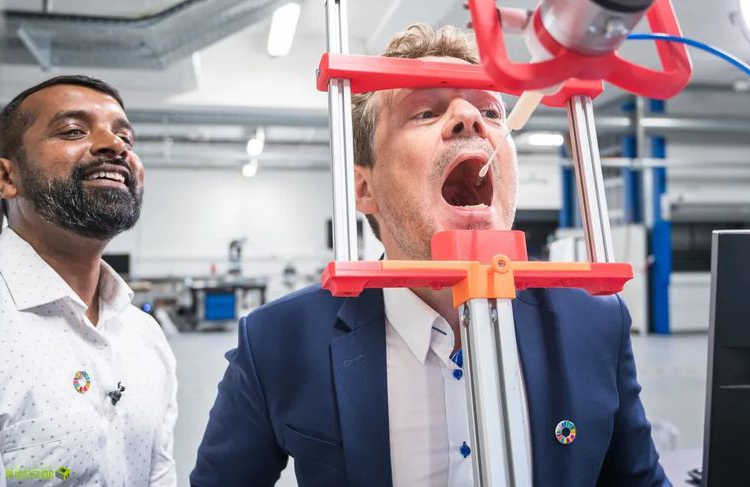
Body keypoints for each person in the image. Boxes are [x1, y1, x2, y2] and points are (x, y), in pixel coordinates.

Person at [191, 25, 668, 486]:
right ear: (364, 187)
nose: (470, 118)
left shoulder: (596, 323)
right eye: (424, 113)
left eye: (492, 110)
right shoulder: (279, 341)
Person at [0, 75, 177, 486]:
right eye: (72, 131)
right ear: (7, 178)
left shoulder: (146, 337)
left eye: (125, 137)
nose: (115, 146)